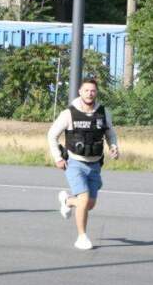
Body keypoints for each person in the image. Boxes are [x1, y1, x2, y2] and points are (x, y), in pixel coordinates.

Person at [47, 78, 120, 250]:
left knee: (89, 204)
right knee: (84, 199)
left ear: (96, 93)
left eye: (93, 90)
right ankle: (82, 237)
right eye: (86, 90)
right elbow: (51, 135)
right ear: (80, 92)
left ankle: (67, 201)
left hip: (94, 164)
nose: (90, 93)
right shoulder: (69, 114)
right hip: (74, 162)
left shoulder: (103, 112)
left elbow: (111, 134)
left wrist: (114, 147)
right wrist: (58, 157)